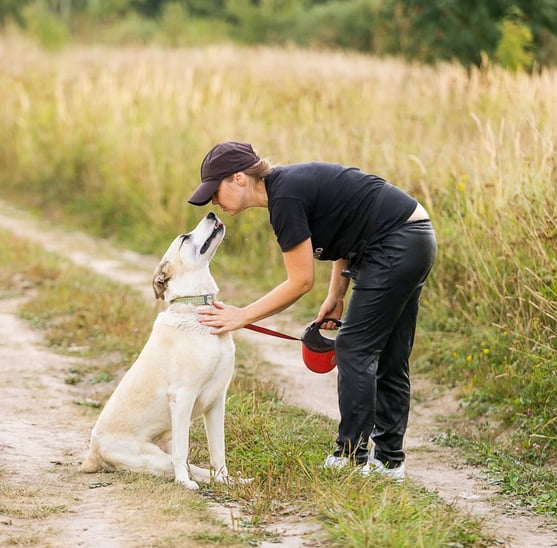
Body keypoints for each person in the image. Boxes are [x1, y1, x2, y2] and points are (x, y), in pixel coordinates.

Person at [187, 141, 436, 479]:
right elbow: (349, 229)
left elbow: (300, 282)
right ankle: (389, 462)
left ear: (238, 178)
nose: (214, 200)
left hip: (395, 242)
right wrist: (336, 294)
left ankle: (351, 457)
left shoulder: (284, 198)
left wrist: (241, 316)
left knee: (354, 348)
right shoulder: (288, 188)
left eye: (215, 191)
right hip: (413, 237)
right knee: (389, 353)